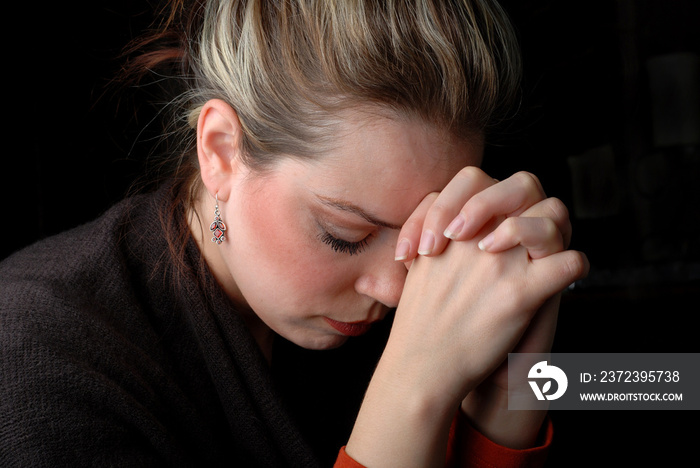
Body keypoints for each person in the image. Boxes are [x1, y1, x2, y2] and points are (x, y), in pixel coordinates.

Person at [0, 0, 588, 467]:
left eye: (424, 236)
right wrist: (416, 389)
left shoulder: (406, 311)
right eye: (344, 234)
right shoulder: (35, 360)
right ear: (222, 153)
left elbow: (662, 382)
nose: (395, 290)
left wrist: (516, 392)